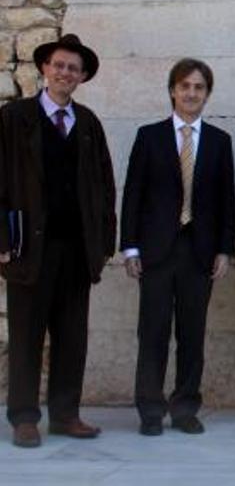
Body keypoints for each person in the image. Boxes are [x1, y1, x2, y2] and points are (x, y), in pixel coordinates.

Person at [0, 34, 116, 447]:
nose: (65, 73)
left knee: (72, 336)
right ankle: (25, 418)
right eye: (59, 65)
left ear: (82, 77)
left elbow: (104, 187)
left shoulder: (88, 124)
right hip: (27, 248)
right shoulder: (14, 118)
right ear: (45, 69)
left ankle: (66, 414)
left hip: (76, 248)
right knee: (27, 334)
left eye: (73, 68)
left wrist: (104, 242)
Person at [120, 58, 235, 436]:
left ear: (207, 94)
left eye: (199, 87)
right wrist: (130, 248)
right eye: (185, 86)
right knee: (152, 331)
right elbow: (133, 194)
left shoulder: (220, 142)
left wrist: (225, 249)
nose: (191, 93)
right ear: (172, 90)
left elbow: (226, 202)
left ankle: (185, 407)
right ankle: (150, 410)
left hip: (199, 252)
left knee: (192, 332)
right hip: (155, 251)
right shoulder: (148, 136)